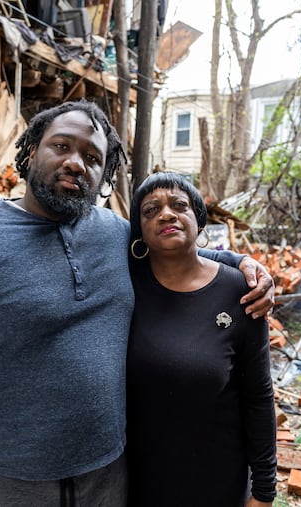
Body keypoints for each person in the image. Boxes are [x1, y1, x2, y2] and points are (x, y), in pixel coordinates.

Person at [0, 101, 274, 507]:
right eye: (61, 146)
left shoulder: (115, 235)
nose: (76, 163)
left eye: (93, 157)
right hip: (1, 483)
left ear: (104, 175)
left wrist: (241, 264)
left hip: (107, 478)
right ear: (30, 153)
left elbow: (177, 254)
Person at [125, 171, 277, 507]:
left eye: (179, 205)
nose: (166, 214)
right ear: (139, 232)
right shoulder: (124, 284)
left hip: (217, 480)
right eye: (151, 210)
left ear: (199, 219)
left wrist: (264, 489)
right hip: (136, 482)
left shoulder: (240, 291)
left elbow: (258, 395)